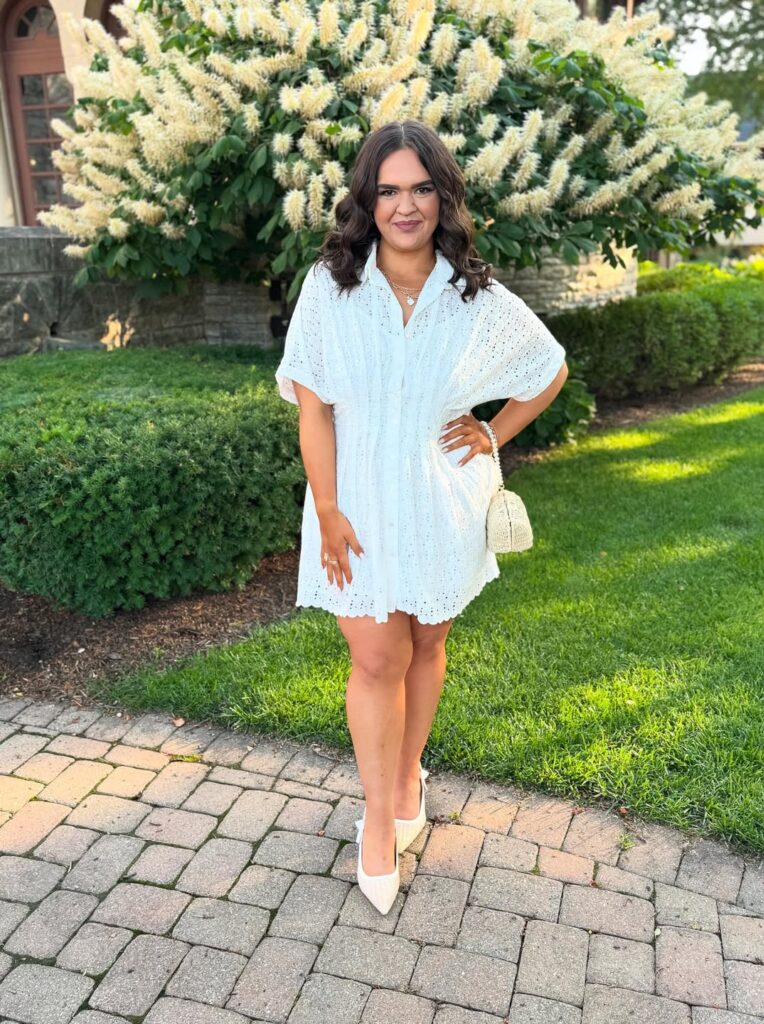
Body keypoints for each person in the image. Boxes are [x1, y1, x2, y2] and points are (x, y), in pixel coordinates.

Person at [275, 119, 568, 915]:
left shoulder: (473, 294)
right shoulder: (330, 288)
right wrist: (327, 509)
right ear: (367, 201)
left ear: (444, 196)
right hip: (356, 506)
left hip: (445, 499)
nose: (406, 205)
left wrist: (493, 431)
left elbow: (548, 369)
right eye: (389, 189)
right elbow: (313, 410)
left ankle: (407, 779)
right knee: (375, 656)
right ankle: (379, 819)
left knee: (427, 640)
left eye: (421, 188)